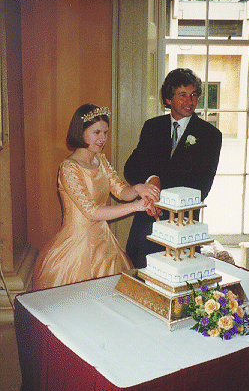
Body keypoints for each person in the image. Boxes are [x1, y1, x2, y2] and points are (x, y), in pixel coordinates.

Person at [32, 104, 160, 290]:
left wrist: (139, 188)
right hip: (77, 245)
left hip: (104, 241)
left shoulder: (100, 160)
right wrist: (137, 206)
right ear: (80, 132)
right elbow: (92, 212)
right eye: (96, 132)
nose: (102, 138)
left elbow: (121, 191)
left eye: (105, 132)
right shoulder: (69, 168)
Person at [124, 68, 222, 269]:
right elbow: (131, 167)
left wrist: (162, 199)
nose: (190, 101)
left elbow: (202, 187)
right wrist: (151, 179)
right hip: (147, 221)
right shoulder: (152, 127)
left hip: (182, 226)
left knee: (180, 280)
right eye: (183, 95)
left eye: (194, 94)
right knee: (141, 275)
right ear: (168, 99)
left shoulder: (210, 135)